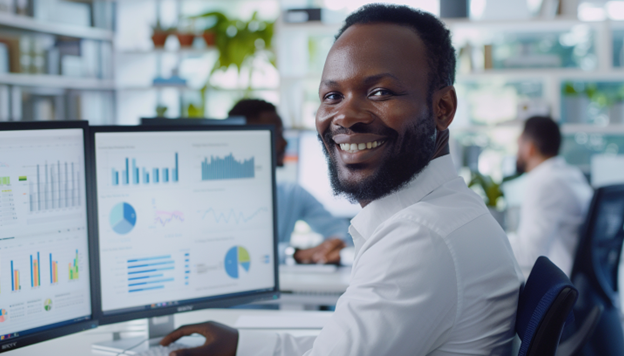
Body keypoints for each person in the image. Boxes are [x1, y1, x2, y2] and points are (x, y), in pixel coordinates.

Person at [161, 5, 522, 355]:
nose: (346, 116)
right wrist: (243, 346)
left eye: (380, 92)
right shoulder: (450, 211)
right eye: (332, 96)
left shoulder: (420, 237)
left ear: (442, 108)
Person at [228, 99, 350, 264]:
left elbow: (339, 230)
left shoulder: (291, 193)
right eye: (275, 134)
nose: (285, 143)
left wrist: (332, 245)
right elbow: (234, 249)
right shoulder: (221, 197)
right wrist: (293, 253)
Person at [509, 116, 593, 279]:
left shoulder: (544, 183)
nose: (517, 151)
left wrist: (491, 239)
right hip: (580, 287)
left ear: (529, 148)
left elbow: (529, 254)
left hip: (561, 291)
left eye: (518, 144)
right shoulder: (570, 174)